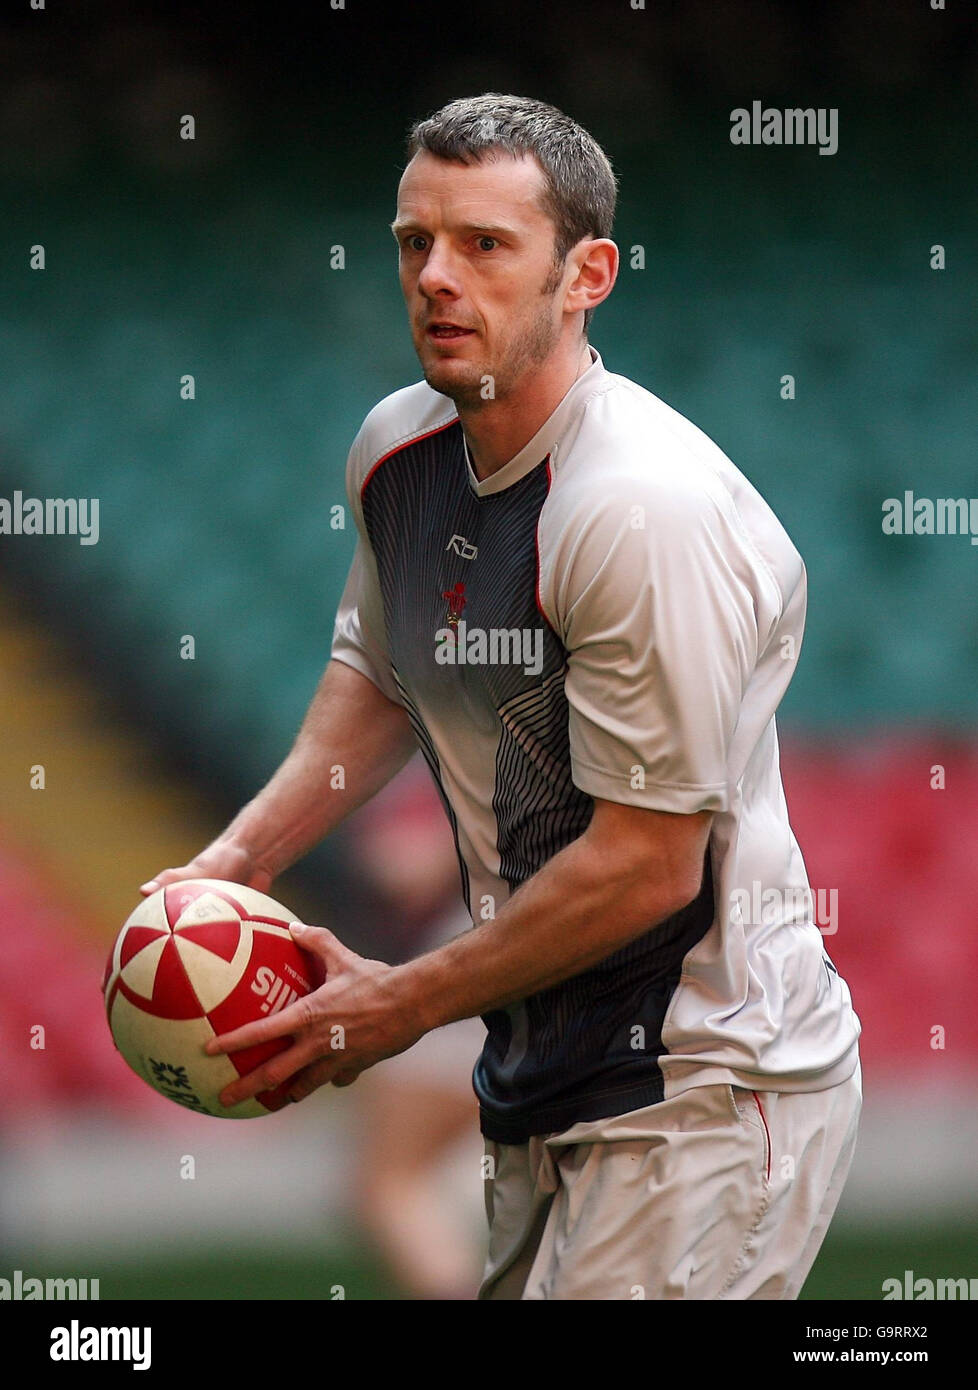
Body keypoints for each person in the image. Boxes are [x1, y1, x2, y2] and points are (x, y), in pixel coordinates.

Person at [141, 93, 862, 1301]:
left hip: (703, 1090)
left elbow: (648, 863)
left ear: (588, 274)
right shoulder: (397, 450)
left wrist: (397, 1003)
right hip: (544, 1078)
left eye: (484, 244)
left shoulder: (640, 509)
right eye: (414, 241)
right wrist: (238, 857)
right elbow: (380, 671)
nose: (435, 275)